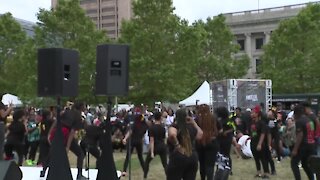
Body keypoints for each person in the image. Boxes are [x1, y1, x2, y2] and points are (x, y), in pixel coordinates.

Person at [41, 102, 88, 180]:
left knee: (52, 152)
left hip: (57, 132)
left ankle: (43, 171)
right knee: (80, 154)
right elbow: (72, 131)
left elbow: (57, 121)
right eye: (85, 106)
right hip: (65, 133)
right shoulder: (78, 117)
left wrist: (49, 133)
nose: (86, 107)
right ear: (81, 107)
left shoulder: (67, 111)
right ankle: (79, 175)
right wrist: (68, 146)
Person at [166, 108, 203, 180]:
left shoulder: (175, 126)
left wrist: (177, 146)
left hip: (179, 156)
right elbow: (200, 135)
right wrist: (194, 123)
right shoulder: (191, 126)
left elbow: (172, 135)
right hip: (192, 156)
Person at [291, 104, 315, 180]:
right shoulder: (309, 120)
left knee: (294, 163)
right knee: (305, 164)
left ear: (296, 113)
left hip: (303, 146)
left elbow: (300, 135)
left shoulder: (299, 121)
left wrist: (295, 149)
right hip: (311, 144)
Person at [196, 104, 219, 180]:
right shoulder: (213, 117)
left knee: (202, 164)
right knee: (210, 165)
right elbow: (219, 130)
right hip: (212, 142)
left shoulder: (197, 119)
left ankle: (203, 178)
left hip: (200, 142)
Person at [122, 108, 148, 176]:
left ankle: (124, 170)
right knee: (140, 157)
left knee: (128, 156)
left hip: (133, 141)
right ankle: (144, 170)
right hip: (138, 141)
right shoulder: (143, 125)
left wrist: (125, 138)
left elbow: (130, 131)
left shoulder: (135, 123)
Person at [144, 111, 167, 179]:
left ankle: (145, 176)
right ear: (160, 118)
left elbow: (152, 140)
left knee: (147, 162)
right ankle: (169, 176)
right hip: (162, 146)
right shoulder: (163, 128)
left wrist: (151, 152)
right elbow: (164, 138)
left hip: (155, 147)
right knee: (165, 164)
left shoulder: (151, 128)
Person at [250, 105, 269, 179]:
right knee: (256, 158)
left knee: (263, 158)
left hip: (260, 143)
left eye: (253, 113)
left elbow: (263, 134)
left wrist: (260, 144)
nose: (252, 114)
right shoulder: (252, 122)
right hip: (253, 142)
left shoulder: (262, 123)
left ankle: (266, 173)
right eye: (251, 113)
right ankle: (258, 172)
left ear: (258, 114)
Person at [216, 106, 235, 175]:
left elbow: (233, 128)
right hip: (219, 138)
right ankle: (220, 168)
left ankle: (229, 169)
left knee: (226, 154)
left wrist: (226, 132)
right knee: (219, 154)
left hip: (227, 138)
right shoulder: (218, 120)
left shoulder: (228, 120)